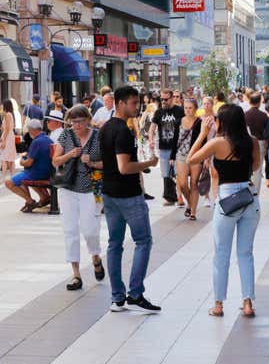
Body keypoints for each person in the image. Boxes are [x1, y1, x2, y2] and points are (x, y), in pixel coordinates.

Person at [188, 104, 261, 319]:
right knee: (246, 253)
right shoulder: (252, 142)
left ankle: (218, 304)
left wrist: (202, 134)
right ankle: (247, 303)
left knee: (221, 253)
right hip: (249, 197)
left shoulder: (218, 143)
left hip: (227, 199)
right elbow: (256, 167)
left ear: (223, 122)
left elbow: (192, 159)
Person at [100, 86, 161, 313]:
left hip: (109, 194)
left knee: (114, 244)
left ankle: (117, 297)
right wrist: (149, 164)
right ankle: (135, 293)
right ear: (121, 103)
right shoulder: (122, 131)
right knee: (143, 241)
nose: (137, 107)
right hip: (127, 195)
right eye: (134, 103)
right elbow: (124, 167)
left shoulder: (105, 128)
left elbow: (102, 162)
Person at [52, 105, 105, 291]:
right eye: (73, 122)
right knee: (70, 231)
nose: (77, 125)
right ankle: (76, 275)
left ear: (88, 120)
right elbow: (55, 161)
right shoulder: (66, 135)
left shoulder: (98, 136)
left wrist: (91, 162)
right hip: (68, 188)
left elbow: (107, 163)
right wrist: (70, 154)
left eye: (80, 121)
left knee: (90, 230)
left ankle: (96, 257)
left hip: (92, 189)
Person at [4, 119, 53, 212]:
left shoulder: (37, 141)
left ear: (32, 130)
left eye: (29, 130)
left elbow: (29, 162)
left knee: (9, 182)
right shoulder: (48, 139)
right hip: (47, 172)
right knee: (22, 176)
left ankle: (30, 201)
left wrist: (22, 161)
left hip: (36, 173)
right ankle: (44, 197)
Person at [149, 89, 184, 206]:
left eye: (166, 99)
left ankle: (179, 196)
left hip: (178, 148)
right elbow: (152, 128)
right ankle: (170, 198)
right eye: (161, 99)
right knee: (166, 175)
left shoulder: (179, 111)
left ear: (172, 98)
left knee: (177, 174)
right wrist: (151, 140)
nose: (163, 101)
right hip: (163, 148)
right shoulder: (158, 112)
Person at [170, 98, 202, 220]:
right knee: (182, 183)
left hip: (195, 155)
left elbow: (203, 140)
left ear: (195, 109)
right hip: (181, 155)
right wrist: (172, 156)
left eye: (190, 108)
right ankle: (190, 202)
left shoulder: (199, 122)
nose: (188, 110)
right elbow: (175, 140)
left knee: (194, 183)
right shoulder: (178, 121)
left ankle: (193, 211)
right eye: (186, 108)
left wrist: (205, 158)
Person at [244, 93, 268, 192]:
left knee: (247, 166)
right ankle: (255, 192)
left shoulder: (245, 115)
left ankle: (247, 189)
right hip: (260, 142)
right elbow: (266, 132)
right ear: (259, 103)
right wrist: (267, 145)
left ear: (250, 102)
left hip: (246, 142)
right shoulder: (263, 116)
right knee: (258, 169)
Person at [0, 99, 17, 179]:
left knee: (4, 157)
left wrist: (3, 139)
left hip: (7, 136)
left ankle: (3, 177)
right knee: (10, 158)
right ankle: (13, 176)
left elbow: (7, 128)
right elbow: (8, 127)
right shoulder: (11, 114)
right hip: (10, 135)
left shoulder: (7, 115)